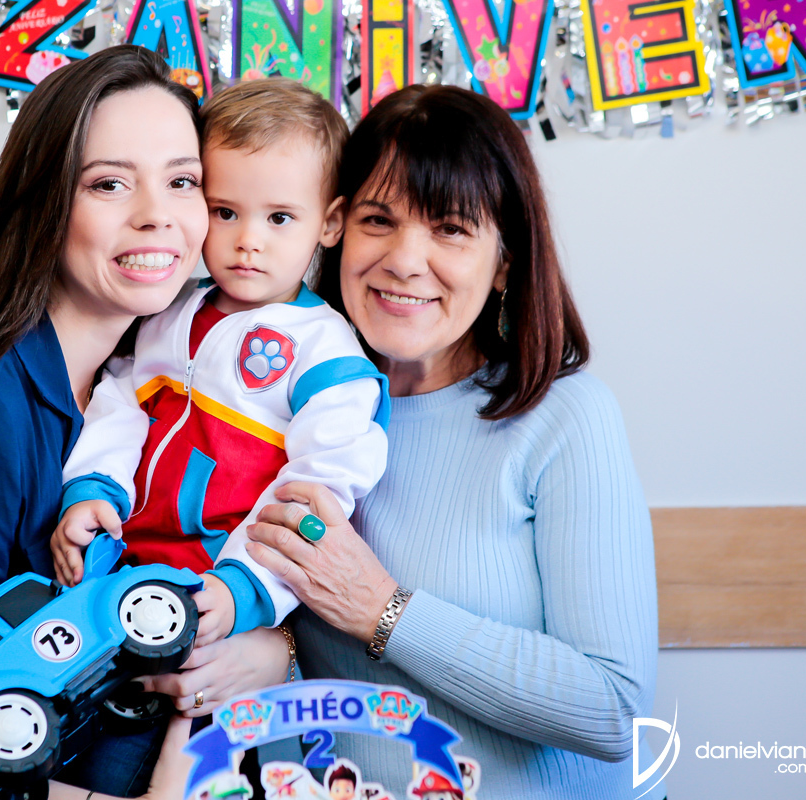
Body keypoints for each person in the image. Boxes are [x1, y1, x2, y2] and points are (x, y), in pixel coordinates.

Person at [0, 47, 290, 800]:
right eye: (109, 183)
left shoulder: (169, 382)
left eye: (182, 181)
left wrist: (269, 652)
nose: (156, 214)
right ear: (45, 204)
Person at [243, 85, 662, 799]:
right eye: (379, 219)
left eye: (451, 229)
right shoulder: (286, 410)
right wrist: (268, 645)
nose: (405, 260)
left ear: (504, 262)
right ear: (334, 229)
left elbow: (614, 709)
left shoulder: (566, 417)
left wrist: (383, 609)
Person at [50, 76, 387, 794]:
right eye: (225, 211)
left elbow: (319, 492)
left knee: (198, 772)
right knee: (82, 759)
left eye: (279, 218)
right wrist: (92, 489)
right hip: (122, 590)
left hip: (220, 607)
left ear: (329, 222)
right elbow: (120, 398)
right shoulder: (169, 309)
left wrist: (244, 591)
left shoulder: (326, 353)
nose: (246, 242)